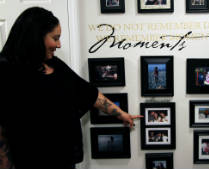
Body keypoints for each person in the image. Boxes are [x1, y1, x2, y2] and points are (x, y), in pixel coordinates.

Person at [0, 7, 142, 169]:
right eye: (55, 38)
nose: (59, 45)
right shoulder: (6, 70)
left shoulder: (54, 64)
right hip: (30, 161)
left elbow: (87, 93)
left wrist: (121, 114)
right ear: (36, 37)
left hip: (64, 160)